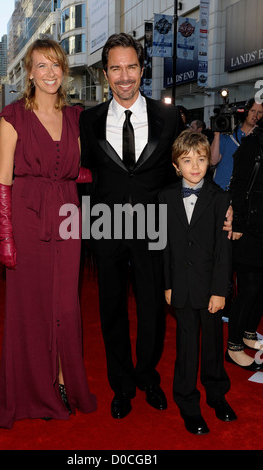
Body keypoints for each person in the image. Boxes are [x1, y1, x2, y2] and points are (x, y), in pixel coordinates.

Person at [80, 33, 232, 419]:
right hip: (106, 227)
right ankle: (122, 385)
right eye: (116, 67)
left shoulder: (167, 116)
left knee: (152, 309)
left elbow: (189, 164)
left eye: (131, 66)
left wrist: (220, 207)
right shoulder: (89, 120)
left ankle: (147, 377)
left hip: (154, 228)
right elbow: (82, 176)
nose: (124, 75)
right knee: (111, 310)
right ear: (105, 73)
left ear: (143, 69)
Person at [0, 38, 96, 428]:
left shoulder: (76, 116)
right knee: (31, 307)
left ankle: (63, 381)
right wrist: (6, 236)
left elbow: (75, 169)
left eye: (56, 65)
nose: (50, 73)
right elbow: (2, 180)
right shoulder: (13, 115)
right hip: (28, 217)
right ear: (29, 72)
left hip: (67, 214)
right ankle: (34, 386)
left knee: (66, 305)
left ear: (64, 71)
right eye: (41, 66)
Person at [159, 130, 236, 435]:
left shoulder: (220, 198)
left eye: (201, 159)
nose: (195, 166)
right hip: (181, 286)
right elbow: (163, 245)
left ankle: (217, 396)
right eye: (187, 160)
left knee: (213, 347)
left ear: (209, 162)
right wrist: (168, 284)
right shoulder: (164, 197)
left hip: (210, 287)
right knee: (186, 348)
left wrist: (220, 290)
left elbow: (223, 250)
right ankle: (188, 404)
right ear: (176, 165)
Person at [225, 119, 263, 371]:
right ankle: (233, 346)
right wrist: (237, 222)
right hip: (249, 229)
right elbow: (238, 184)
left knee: (261, 289)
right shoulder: (252, 144)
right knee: (249, 289)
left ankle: (249, 332)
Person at [211, 98, 263, 190]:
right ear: (246, 111)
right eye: (253, 111)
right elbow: (212, 161)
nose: (255, 115)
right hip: (221, 191)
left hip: (244, 194)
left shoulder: (260, 140)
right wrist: (217, 135)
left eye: (260, 112)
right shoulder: (228, 135)